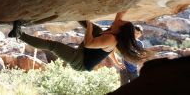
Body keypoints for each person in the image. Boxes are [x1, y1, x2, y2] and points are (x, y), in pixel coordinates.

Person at [8, 12, 149, 71]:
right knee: (97, 29)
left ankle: (18, 34)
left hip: (80, 62)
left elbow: (88, 43)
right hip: (86, 52)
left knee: (53, 45)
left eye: (123, 22)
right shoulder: (115, 30)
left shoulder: (111, 38)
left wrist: (89, 26)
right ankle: (74, 14)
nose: (121, 20)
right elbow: (120, 14)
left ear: (121, 28)